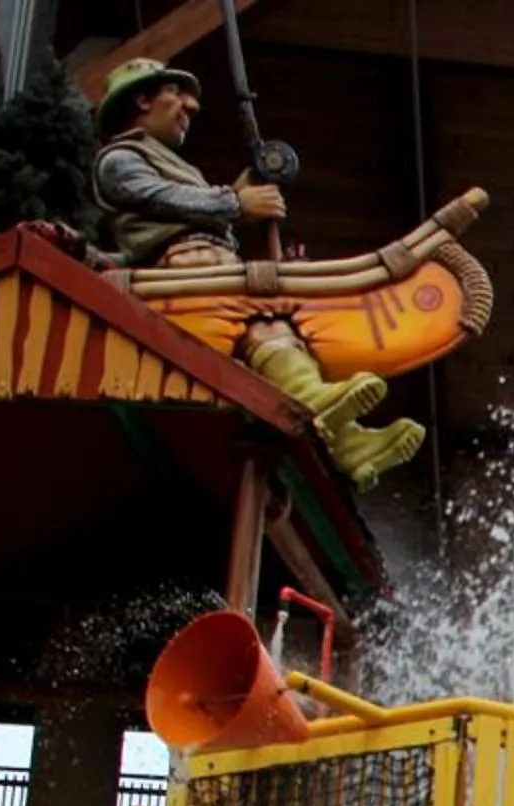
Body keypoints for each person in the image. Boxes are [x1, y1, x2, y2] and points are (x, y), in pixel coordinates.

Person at [89, 57, 423, 485]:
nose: (190, 105)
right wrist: (236, 203)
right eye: (176, 93)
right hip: (184, 269)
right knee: (257, 317)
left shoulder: (170, 161)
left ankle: (345, 439)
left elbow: (192, 201)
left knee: (272, 324)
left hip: (208, 264)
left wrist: (242, 192)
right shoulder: (120, 159)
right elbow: (161, 199)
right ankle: (312, 400)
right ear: (141, 99)